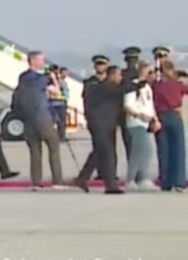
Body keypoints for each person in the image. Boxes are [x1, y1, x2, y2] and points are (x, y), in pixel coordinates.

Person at [75, 65, 146, 194]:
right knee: (108, 153)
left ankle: (82, 178)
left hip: (108, 124)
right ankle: (111, 185)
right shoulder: (105, 87)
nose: (120, 78)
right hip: (101, 125)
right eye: (118, 75)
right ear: (112, 75)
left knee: (98, 152)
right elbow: (125, 89)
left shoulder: (109, 87)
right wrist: (142, 81)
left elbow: (125, 88)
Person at [12, 51, 64, 189]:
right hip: (43, 117)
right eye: (41, 60)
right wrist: (53, 78)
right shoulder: (41, 79)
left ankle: (36, 181)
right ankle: (57, 180)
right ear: (33, 61)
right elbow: (57, 92)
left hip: (28, 118)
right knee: (53, 146)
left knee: (35, 151)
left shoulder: (22, 78)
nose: (43, 62)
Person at [123, 65, 159, 189]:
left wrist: (155, 120)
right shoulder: (134, 86)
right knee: (137, 152)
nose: (154, 75)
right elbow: (128, 105)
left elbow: (150, 105)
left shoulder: (147, 87)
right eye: (151, 72)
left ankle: (143, 177)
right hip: (136, 122)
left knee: (147, 151)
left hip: (146, 122)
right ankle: (130, 179)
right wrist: (139, 115)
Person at [153, 59, 186, 192]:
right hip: (174, 115)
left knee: (163, 150)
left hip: (160, 116)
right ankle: (178, 181)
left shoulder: (156, 86)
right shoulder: (177, 85)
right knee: (178, 150)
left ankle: (165, 182)